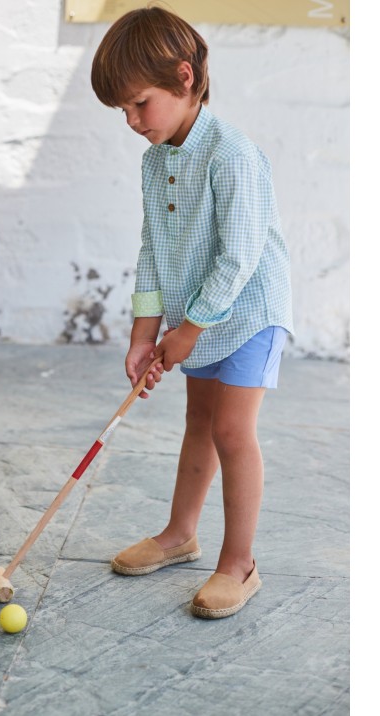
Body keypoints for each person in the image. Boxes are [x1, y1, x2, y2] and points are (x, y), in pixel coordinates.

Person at [90, 6, 293, 619]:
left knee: (232, 432)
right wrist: (143, 334)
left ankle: (240, 564)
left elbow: (239, 259)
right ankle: (180, 534)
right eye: (121, 111)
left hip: (249, 311)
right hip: (194, 314)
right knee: (198, 422)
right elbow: (154, 248)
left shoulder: (232, 155)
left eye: (139, 104)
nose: (131, 121)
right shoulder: (155, 161)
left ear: (185, 78)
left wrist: (188, 332)